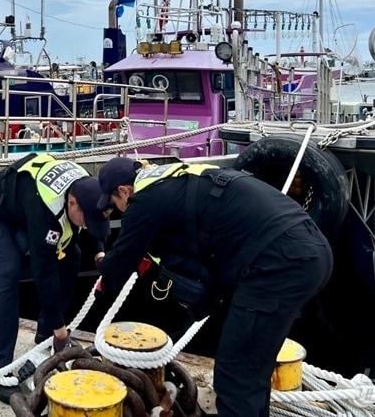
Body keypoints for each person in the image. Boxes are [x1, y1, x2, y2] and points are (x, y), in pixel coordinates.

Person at [96, 157, 332, 417]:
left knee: (235, 375)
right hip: (306, 248)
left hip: (278, 264)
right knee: (251, 369)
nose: (119, 211)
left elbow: (120, 263)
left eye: (115, 205)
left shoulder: (144, 200)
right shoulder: (177, 177)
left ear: (124, 191)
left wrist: (101, 265)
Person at [0, 153, 109, 404]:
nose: (88, 226)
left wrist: (100, 251)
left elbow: (94, 219)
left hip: (22, 207)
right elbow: (44, 272)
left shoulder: (85, 186)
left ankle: (45, 338)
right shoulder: (47, 210)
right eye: (86, 220)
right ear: (71, 203)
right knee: (9, 271)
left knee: (73, 255)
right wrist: (61, 328)